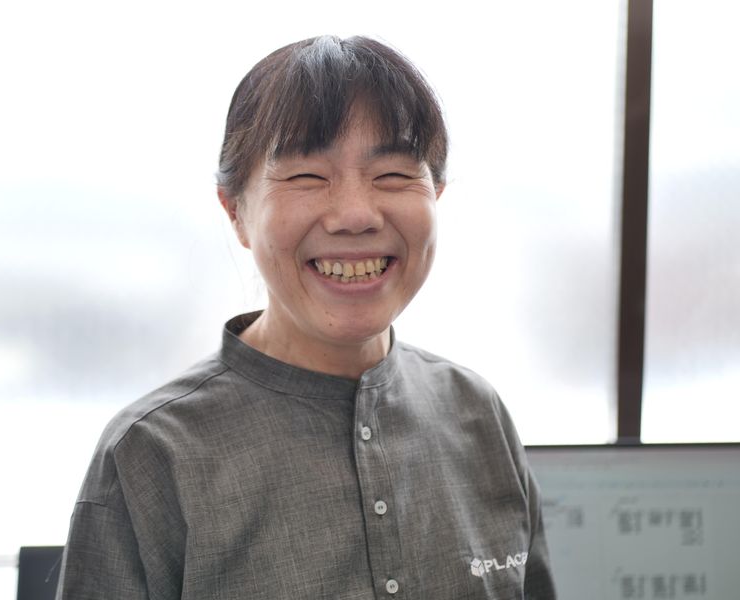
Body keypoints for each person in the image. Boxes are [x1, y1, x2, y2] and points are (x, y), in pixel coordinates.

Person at [56, 35, 556, 599]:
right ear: (236, 211)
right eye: (307, 177)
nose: (355, 214)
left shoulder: (477, 413)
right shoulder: (151, 454)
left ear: (435, 194)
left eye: (393, 174)